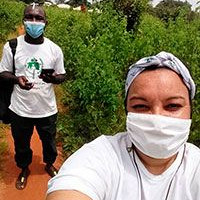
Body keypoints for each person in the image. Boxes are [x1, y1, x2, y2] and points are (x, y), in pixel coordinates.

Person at [46, 51, 200, 200]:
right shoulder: (102, 156)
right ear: (127, 111)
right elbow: (71, 188)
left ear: (191, 110)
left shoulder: (196, 167)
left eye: (173, 106)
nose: (157, 117)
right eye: (141, 106)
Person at [0, 3, 66, 190]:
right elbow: (2, 72)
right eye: (29, 17)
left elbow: (62, 75)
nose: (34, 22)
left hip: (47, 108)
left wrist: (54, 78)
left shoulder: (54, 49)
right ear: (23, 20)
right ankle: (24, 168)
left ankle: (49, 164)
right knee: (21, 143)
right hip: (20, 109)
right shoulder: (12, 46)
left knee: (49, 141)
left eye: (38, 18)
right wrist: (16, 79)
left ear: (46, 22)